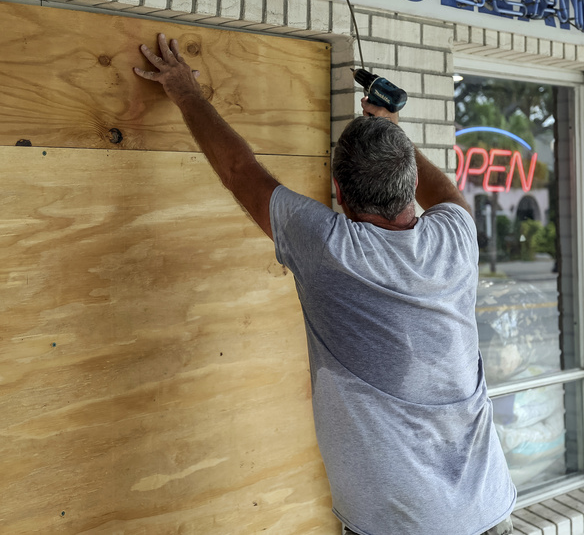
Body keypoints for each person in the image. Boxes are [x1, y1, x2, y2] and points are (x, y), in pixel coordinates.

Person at [135, 34, 515, 535]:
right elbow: (444, 193)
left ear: (338, 191)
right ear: (409, 187)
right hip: (490, 509)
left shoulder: (332, 250)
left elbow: (238, 169)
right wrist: (390, 131)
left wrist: (186, 92)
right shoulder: (457, 237)